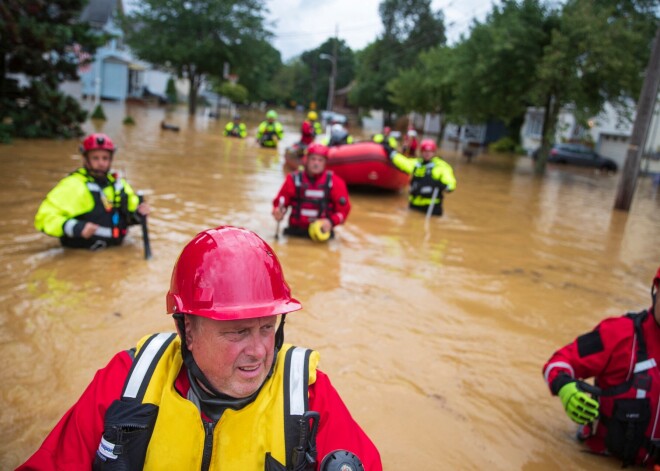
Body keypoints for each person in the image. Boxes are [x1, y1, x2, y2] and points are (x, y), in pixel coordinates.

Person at [18, 226, 382, 470]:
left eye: (267, 327)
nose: (258, 351)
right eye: (237, 332)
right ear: (187, 330)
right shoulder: (128, 382)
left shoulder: (309, 397)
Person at [542, 268, 660, 468]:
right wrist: (565, 388)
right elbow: (559, 362)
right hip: (595, 460)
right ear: (656, 288)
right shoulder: (619, 333)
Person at [34, 133, 150, 250]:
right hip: (82, 255)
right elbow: (44, 218)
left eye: (105, 158)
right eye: (95, 158)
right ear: (85, 159)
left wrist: (139, 214)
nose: (101, 163)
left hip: (115, 253)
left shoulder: (118, 184)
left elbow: (130, 214)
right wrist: (76, 228)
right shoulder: (73, 185)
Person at [272, 143, 351, 241]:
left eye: (320, 160)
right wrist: (278, 211)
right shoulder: (292, 179)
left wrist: (330, 222)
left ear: (325, 162)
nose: (316, 163)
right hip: (295, 233)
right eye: (313, 159)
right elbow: (280, 203)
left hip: (322, 234)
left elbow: (343, 211)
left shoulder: (336, 182)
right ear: (307, 160)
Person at [381, 138, 456, 217]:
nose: (427, 154)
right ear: (421, 152)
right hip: (414, 205)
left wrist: (445, 186)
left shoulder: (441, 166)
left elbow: (450, 183)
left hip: (431, 207)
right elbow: (403, 162)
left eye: (429, 152)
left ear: (434, 152)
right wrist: (392, 153)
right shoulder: (417, 163)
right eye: (425, 151)